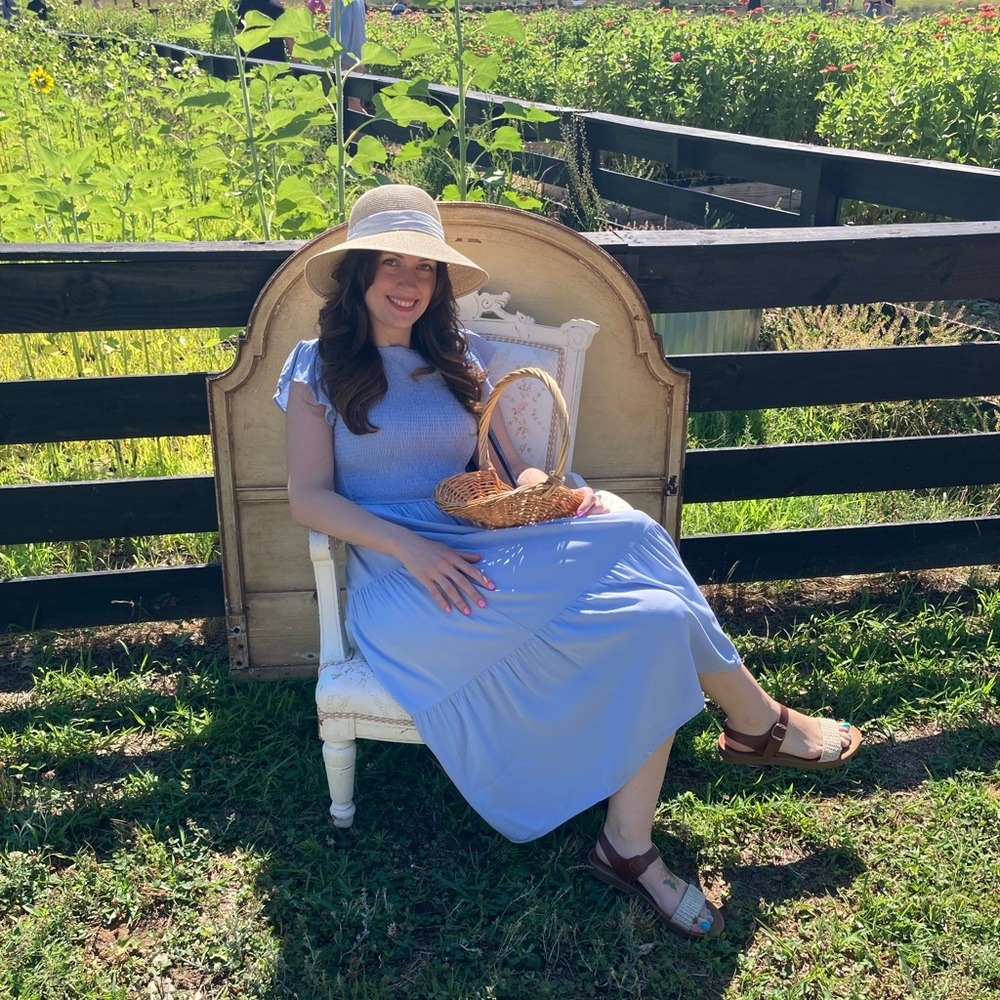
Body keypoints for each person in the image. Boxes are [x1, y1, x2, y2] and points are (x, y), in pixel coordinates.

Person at [274, 184, 863, 941]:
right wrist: (412, 548)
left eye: (424, 268)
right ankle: (756, 722)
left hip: (487, 543)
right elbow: (309, 499)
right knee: (640, 534)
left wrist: (543, 495)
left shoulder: (464, 360)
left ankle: (628, 846)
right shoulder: (316, 366)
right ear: (357, 275)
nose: (409, 282)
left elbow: (519, 468)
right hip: (403, 580)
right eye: (390, 263)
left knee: (654, 606)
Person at [329, 0, 366, 113]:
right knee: (352, 110)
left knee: (348, 105)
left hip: (345, 62)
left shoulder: (341, 2)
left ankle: (373, 128)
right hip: (357, 60)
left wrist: (332, 58)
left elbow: (341, 36)